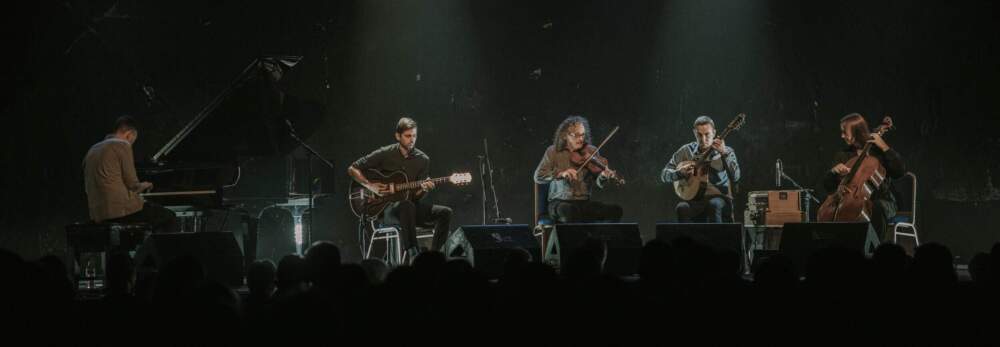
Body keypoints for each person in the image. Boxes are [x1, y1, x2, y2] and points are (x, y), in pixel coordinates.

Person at [348, 117, 453, 258]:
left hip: (410, 208)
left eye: (414, 136)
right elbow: (352, 169)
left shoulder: (423, 160)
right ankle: (413, 253)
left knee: (445, 212)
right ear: (398, 136)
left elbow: (416, 196)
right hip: (386, 211)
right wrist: (370, 185)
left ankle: (434, 258)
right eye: (408, 136)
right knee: (406, 205)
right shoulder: (385, 153)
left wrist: (424, 189)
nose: (412, 139)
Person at [83, 116, 177, 232]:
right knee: (168, 216)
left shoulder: (92, 149)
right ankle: (156, 249)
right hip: (120, 210)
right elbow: (133, 185)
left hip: (97, 214)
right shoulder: (122, 145)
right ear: (129, 134)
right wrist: (146, 184)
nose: (131, 145)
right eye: (132, 141)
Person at [822, 113, 905, 240]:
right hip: (850, 201)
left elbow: (900, 172)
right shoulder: (843, 155)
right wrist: (833, 173)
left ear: (856, 132)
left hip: (882, 200)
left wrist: (884, 146)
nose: (842, 135)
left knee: (876, 207)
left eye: (845, 132)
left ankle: (875, 248)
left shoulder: (878, 151)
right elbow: (828, 186)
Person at [533, 115, 622, 223]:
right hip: (559, 203)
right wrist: (561, 174)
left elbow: (599, 183)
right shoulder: (553, 151)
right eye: (577, 135)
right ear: (565, 136)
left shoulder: (591, 151)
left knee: (616, 211)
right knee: (568, 211)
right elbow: (538, 176)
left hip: (583, 203)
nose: (581, 139)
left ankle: (601, 240)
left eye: (583, 135)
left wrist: (603, 176)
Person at [661, 115, 741, 223]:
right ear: (694, 133)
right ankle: (686, 240)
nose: (703, 139)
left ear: (714, 132)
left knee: (713, 204)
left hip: (719, 198)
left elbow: (736, 177)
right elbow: (664, 175)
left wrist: (724, 153)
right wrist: (679, 173)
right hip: (694, 200)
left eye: (707, 134)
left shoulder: (727, 151)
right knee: (681, 207)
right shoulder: (686, 151)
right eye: (699, 135)